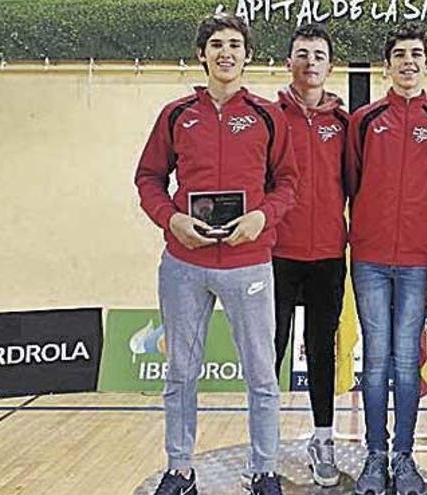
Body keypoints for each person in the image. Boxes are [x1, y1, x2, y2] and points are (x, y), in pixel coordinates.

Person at [134, 12, 298, 495]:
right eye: (216, 44)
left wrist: (262, 218)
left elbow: (288, 183)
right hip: (184, 266)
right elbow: (148, 179)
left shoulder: (268, 115)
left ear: (247, 55)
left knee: (262, 374)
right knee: (181, 372)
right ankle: (180, 469)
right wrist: (172, 220)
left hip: (249, 263)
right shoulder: (175, 114)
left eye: (234, 44)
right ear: (201, 54)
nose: (226, 52)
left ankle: (265, 471)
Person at [345, 23, 427, 495]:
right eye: (399, 55)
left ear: (426, 64)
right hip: (368, 257)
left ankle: (405, 458)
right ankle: (375, 456)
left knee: (406, 362)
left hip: (417, 261)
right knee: (375, 362)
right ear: (387, 64)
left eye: (415, 54)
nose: (407, 62)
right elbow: (351, 181)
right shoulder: (365, 120)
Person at [272, 23, 349, 487]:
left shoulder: (344, 124)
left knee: (321, 351)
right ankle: (263, 445)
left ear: (330, 65)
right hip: (277, 254)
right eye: (302, 54)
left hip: (327, 256)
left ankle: (322, 440)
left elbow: (358, 181)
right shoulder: (268, 116)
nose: (311, 62)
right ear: (289, 63)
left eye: (319, 54)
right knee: (270, 352)